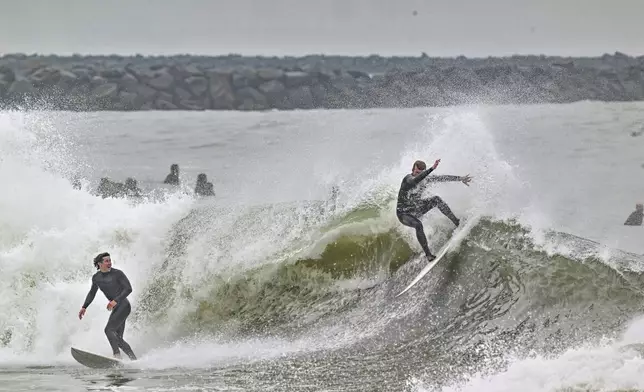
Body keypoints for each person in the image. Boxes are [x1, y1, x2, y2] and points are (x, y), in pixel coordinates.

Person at [396, 159, 472, 261]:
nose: (417, 175)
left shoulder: (425, 179)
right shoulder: (408, 179)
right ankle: (428, 254)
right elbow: (414, 181)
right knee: (418, 225)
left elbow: (441, 178)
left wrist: (460, 178)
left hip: (416, 209)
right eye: (416, 172)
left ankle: (456, 222)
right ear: (412, 169)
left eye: (420, 173)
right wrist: (432, 168)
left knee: (436, 200)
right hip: (403, 214)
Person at [78, 252, 137, 361]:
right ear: (99, 263)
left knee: (108, 330)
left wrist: (116, 300)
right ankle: (134, 361)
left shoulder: (118, 274)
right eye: (106, 261)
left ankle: (117, 356)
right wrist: (84, 307)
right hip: (117, 308)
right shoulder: (96, 278)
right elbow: (92, 293)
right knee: (118, 340)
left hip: (123, 305)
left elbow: (128, 289)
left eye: (110, 260)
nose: (109, 263)